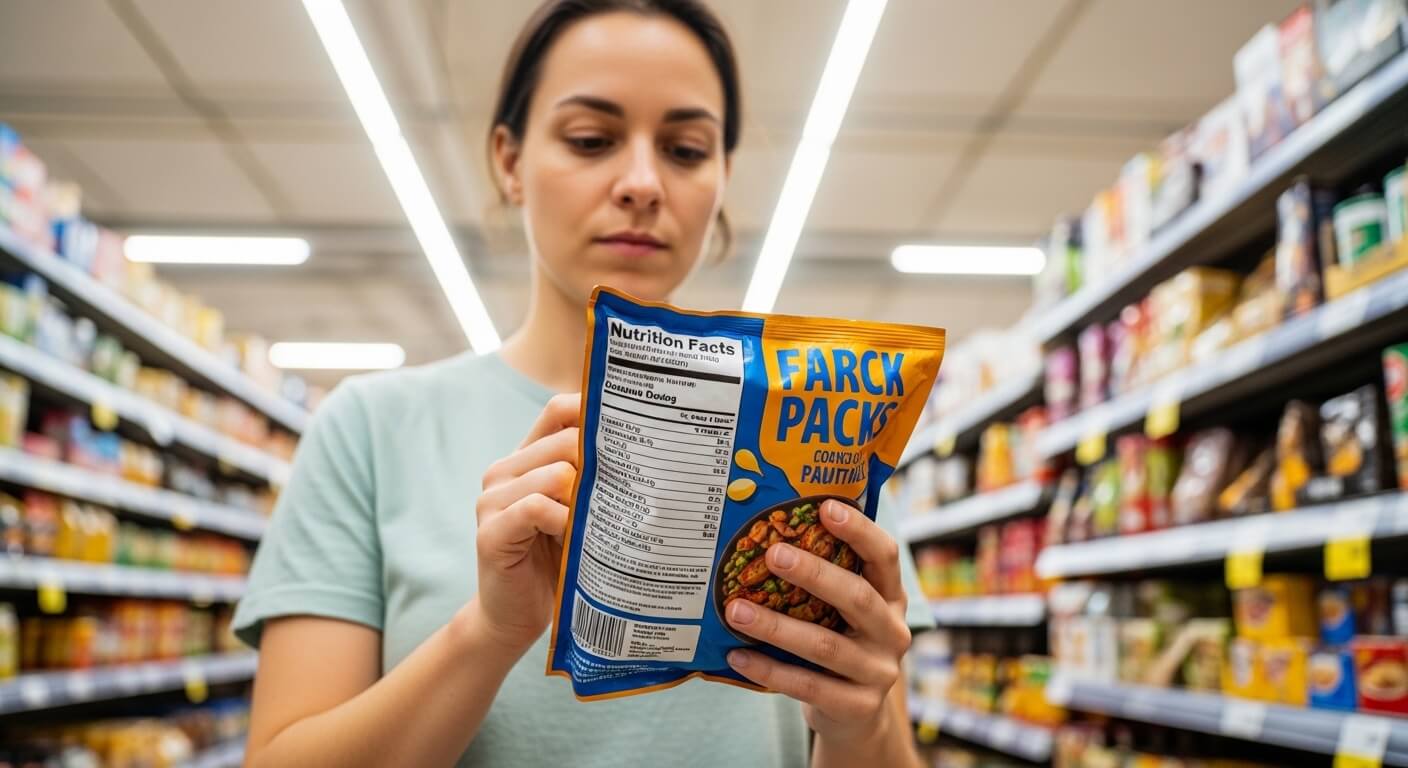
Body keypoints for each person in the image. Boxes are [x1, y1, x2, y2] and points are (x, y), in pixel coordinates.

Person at [235, 2, 930, 765]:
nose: (642, 183)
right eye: (592, 140)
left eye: (687, 149)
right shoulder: (369, 429)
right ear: (509, 159)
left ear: (723, 175)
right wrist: (489, 632)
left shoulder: (820, 433)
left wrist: (861, 721)